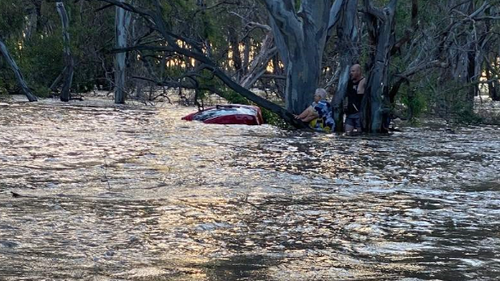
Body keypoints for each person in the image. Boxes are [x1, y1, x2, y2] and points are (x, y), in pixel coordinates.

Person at [344, 64, 366, 133]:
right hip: (350, 113)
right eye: (351, 71)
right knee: (347, 133)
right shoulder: (349, 82)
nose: (351, 73)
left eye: (353, 71)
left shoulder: (363, 81)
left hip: (359, 113)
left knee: (360, 133)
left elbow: (359, 91)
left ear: (358, 72)